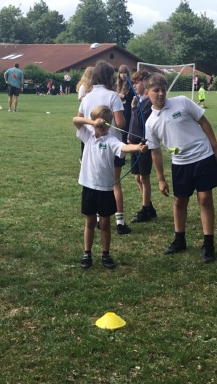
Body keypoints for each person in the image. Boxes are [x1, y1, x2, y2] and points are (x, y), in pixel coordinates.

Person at [144, 73, 217, 263]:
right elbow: (155, 152)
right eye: (156, 90)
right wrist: (161, 179)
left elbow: (203, 121)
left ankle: (208, 244)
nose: (161, 93)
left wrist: (215, 148)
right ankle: (179, 240)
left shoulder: (182, 102)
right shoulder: (150, 122)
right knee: (180, 201)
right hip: (180, 163)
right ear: (147, 93)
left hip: (202, 155)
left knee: (204, 199)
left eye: (163, 89)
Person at [73, 106, 148, 269]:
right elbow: (76, 120)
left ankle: (105, 254)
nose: (102, 125)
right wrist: (93, 122)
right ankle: (87, 254)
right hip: (89, 186)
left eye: (106, 122)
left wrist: (138, 147)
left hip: (106, 189)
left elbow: (123, 147)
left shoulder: (111, 140)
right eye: (100, 121)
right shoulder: (88, 135)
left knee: (105, 223)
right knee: (90, 221)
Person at [78, 60, 130, 235]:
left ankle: (101, 218)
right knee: (114, 183)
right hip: (111, 143)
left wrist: (93, 123)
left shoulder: (87, 96)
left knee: (96, 182)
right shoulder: (113, 96)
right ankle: (119, 221)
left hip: (90, 143)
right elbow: (120, 123)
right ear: (109, 77)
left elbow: (79, 118)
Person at [128, 69, 157, 223]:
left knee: (144, 177)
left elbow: (142, 122)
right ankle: (149, 206)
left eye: (137, 83)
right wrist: (129, 135)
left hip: (143, 145)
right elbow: (133, 122)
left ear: (144, 84)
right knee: (137, 177)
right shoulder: (138, 100)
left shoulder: (148, 103)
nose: (134, 85)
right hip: (134, 143)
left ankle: (145, 209)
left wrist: (134, 108)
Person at [115, 64, 134, 143]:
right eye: (121, 73)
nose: (123, 74)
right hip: (117, 108)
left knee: (125, 129)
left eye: (125, 72)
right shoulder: (116, 84)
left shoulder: (131, 84)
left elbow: (133, 97)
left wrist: (124, 96)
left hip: (127, 109)